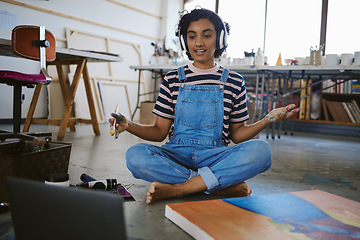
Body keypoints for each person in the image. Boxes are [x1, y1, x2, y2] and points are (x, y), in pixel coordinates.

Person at [109, 8, 299, 204]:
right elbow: (159, 132)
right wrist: (128, 125)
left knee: (262, 151)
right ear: (185, 41)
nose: (199, 42)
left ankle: (182, 188)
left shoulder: (234, 81)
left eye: (207, 35)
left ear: (220, 40)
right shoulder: (172, 79)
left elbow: (237, 134)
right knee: (135, 156)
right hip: (176, 154)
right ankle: (213, 187)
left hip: (215, 155)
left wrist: (266, 120)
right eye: (192, 37)